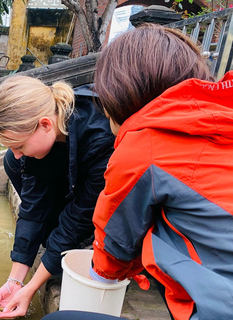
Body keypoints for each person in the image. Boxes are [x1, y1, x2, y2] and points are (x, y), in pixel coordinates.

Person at [42, 24, 233, 320]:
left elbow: (113, 246)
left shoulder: (144, 145)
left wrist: (102, 277)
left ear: (121, 93)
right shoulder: (220, 119)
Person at [0, 75, 115, 318]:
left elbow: (78, 217)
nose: (16, 153)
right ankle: (55, 249)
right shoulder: (48, 133)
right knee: (15, 165)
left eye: (19, 146)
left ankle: (79, 245)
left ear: (45, 125)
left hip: (109, 199)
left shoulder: (101, 138)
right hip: (71, 179)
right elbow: (33, 208)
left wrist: (32, 288)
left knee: (73, 228)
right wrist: (15, 281)